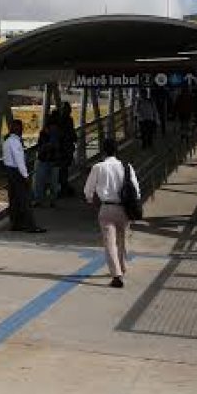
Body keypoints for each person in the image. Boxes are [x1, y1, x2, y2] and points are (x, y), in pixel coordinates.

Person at [84, 137, 140, 289]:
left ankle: (117, 275)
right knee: (122, 239)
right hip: (124, 208)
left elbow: (88, 190)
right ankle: (122, 266)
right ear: (117, 150)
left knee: (109, 242)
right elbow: (136, 189)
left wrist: (91, 200)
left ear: (103, 151)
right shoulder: (126, 167)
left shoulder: (98, 167)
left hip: (106, 208)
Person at [2, 119, 46, 233]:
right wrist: (25, 175)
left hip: (9, 172)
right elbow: (19, 160)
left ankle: (16, 224)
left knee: (14, 199)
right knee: (25, 200)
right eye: (20, 128)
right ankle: (30, 226)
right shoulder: (15, 142)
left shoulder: (6, 141)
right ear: (17, 129)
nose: (21, 130)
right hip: (17, 172)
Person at [33, 111, 61, 207]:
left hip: (46, 160)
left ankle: (41, 200)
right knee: (51, 181)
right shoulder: (47, 134)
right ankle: (50, 200)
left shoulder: (51, 134)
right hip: (49, 160)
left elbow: (42, 148)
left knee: (42, 181)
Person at [56, 102, 78, 198]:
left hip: (62, 150)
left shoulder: (60, 121)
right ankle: (63, 187)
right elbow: (72, 134)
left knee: (61, 170)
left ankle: (62, 188)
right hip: (67, 149)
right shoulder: (69, 120)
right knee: (63, 170)